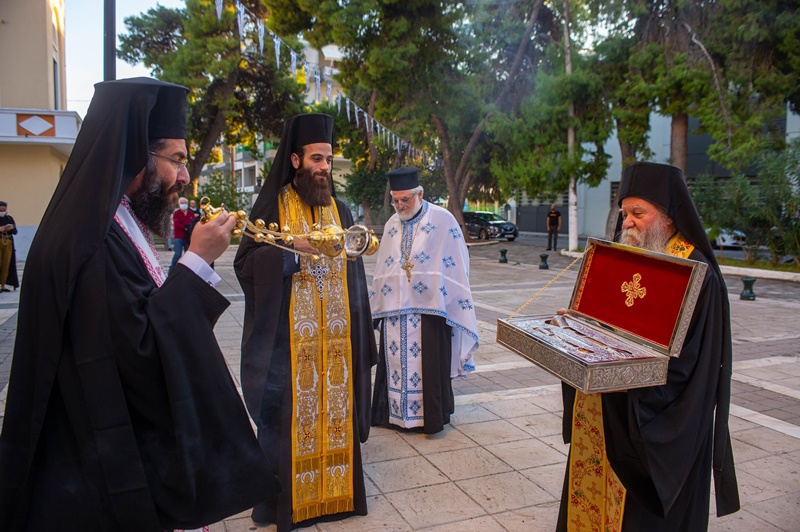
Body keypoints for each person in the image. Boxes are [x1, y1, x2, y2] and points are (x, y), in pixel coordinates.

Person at [0, 77, 271, 532]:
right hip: (94, 470)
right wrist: (196, 263)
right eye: (177, 160)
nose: (185, 176)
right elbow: (138, 353)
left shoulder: (113, 223)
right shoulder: (94, 242)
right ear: (136, 156)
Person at [556, 162, 739, 531]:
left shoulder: (698, 275)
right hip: (606, 410)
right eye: (625, 213)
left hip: (651, 424)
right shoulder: (629, 258)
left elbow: (693, 370)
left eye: (638, 213)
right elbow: (614, 319)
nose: (627, 223)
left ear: (669, 217)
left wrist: (632, 382)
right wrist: (581, 324)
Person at [234, 113, 377, 531]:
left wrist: (360, 330)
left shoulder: (341, 207)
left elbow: (355, 276)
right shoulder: (272, 207)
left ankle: (337, 500)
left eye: (329, 160)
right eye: (316, 159)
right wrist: (292, 253)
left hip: (337, 345)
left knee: (336, 416)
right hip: (288, 348)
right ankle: (286, 505)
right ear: (295, 160)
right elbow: (245, 264)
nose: (324, 168)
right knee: (288, 424)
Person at [369, 167, 478, 434]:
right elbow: (384, 266)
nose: (400, 205)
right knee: (394, 362)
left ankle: (429, 418)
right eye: (395, 200)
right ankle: (392, 414)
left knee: (425, 364)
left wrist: (446, 295)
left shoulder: (443, 219)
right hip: (396, 311)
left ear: (420, 194)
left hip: (430, 311)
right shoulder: (392, 224)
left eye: (405, 199)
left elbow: (458, 262)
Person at [170, 196, 195, 271]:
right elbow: (177, 224)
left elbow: (193, 223)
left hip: (187, 237)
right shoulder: (177, 213)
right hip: (179, 237)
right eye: (182, 203)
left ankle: (187, 270)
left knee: (188, 255)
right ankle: (171, 269)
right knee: (178, 254)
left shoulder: (190, 213)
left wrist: (188, 227)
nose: (183, 204)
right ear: (179, 204)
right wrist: (186, 228)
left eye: (185, 203)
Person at [0, 201, 19, 292]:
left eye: (4, 210)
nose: (2, 211)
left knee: (6, 264)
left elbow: (15, 231)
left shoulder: (9, 219)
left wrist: (11, 229)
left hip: (8, 241)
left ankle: (3, 285)